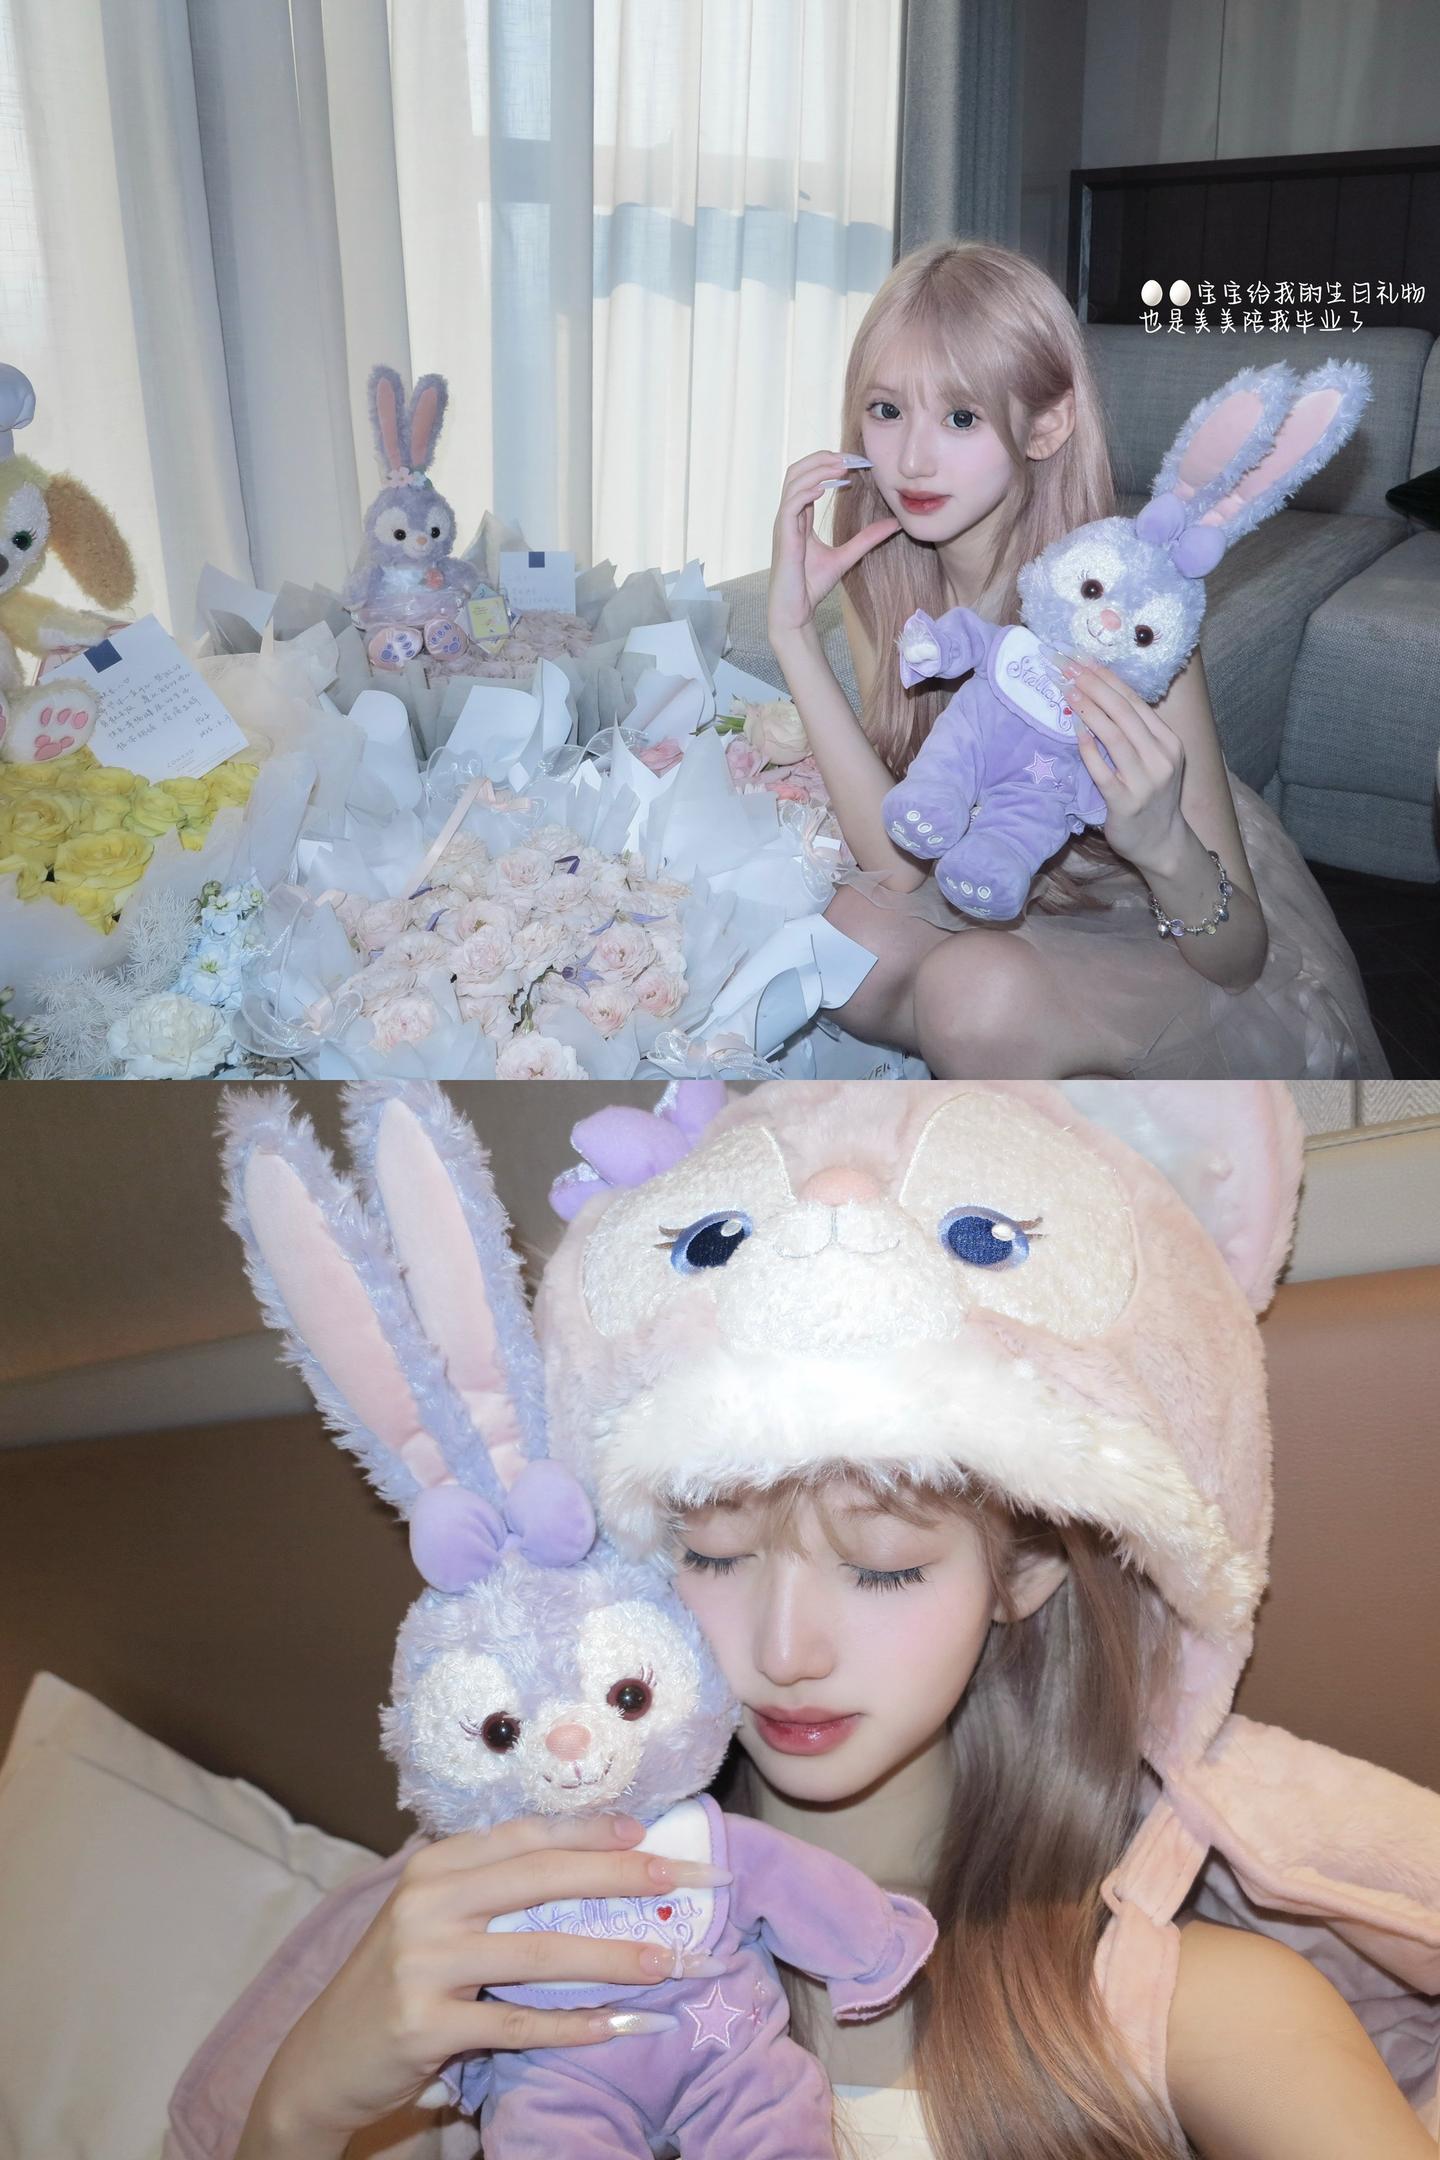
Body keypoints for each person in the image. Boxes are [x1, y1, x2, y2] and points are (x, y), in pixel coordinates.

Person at [169, 1079, 1440, 2160]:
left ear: (1029, 1569)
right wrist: (297, 2110)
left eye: (883, 1569)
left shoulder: (1198, 2016)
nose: (784, 1653)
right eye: (714, 1556)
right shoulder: (510, 1973)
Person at [768, 240, 1388, 1078]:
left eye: (960, 418)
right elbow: (896, 863)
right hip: (994, 868)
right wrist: (792, 632)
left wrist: (1161, 842)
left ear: (1047, 424)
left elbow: (1239, 954)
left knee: (972, 993)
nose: (911, 460)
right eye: (886, 410)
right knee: (850, 947)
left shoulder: (1113, 610)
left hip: (1147, 895)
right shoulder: (885, 573)